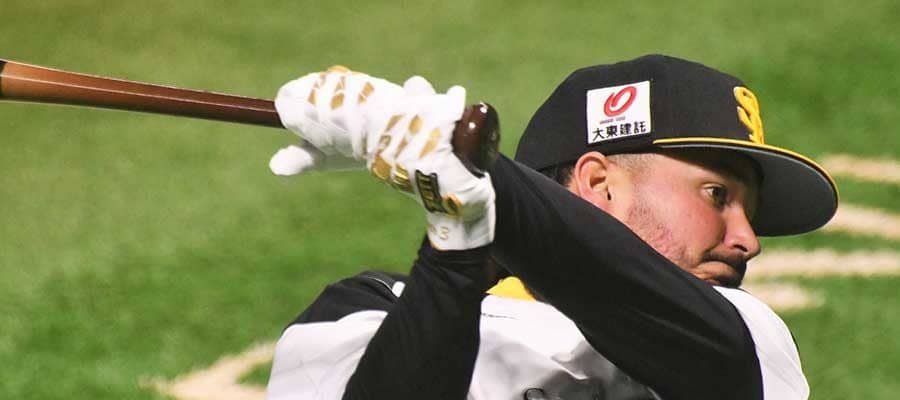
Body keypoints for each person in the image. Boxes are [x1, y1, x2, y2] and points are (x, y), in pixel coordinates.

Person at [263, 55, 838, 400]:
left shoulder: (744, 332)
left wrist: (472, 172)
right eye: (718, 196)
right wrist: (456, 245)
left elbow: (694, 340)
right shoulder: (363, 312)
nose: (748, 241)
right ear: (599, 184)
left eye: (749, 213)